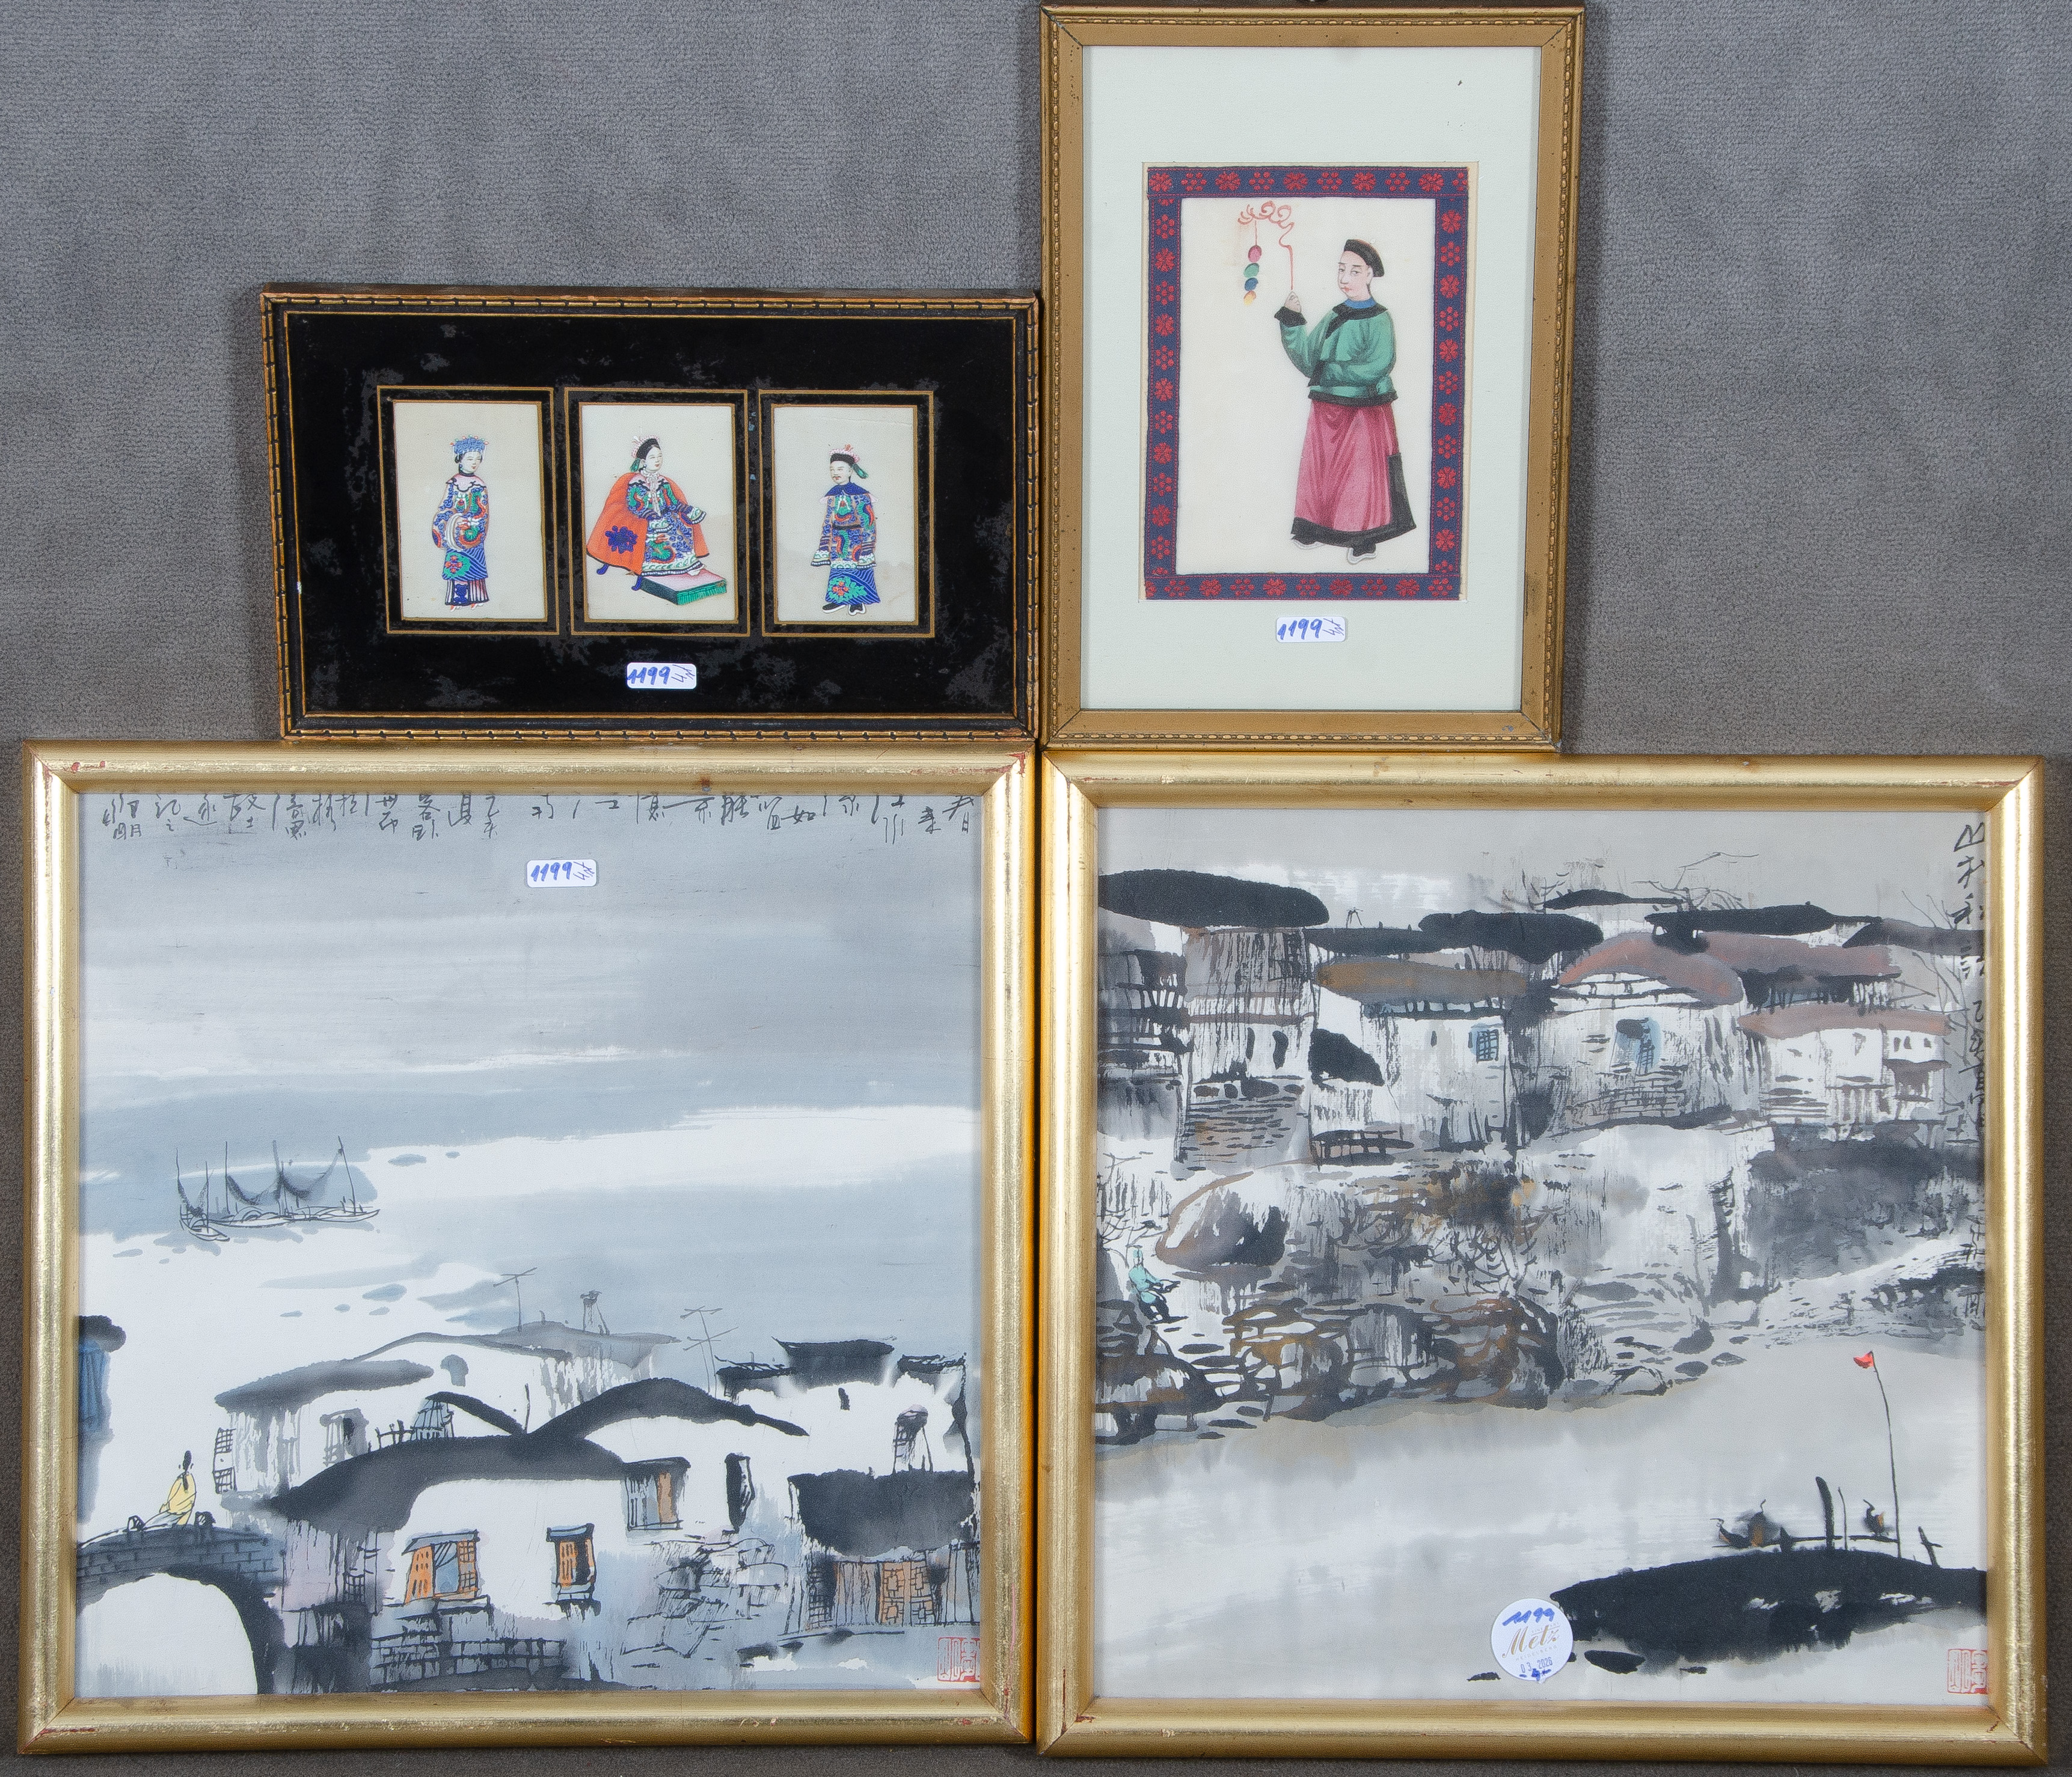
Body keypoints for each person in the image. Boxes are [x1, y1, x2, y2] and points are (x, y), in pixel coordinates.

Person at [1274, 239, 1417, 562]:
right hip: (1327, 407)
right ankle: (1317, 527)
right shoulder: (1335, 315)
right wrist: (1292, 320)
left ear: (1370, 275)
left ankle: (1363, 538)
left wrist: (1331, 371)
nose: (1345, 278)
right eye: (1341, 270)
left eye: (1354, 271)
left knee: (1360, 475)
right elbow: (1309, 360)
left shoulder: (1380, 318)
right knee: (1321, 470)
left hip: (1365, 412)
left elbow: (1379, 365)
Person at [584, 437, 727, 605]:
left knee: (679, 524)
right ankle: (655, 566)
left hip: (664, 515)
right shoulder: (636, 482)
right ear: (643, 461)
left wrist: (686, 509)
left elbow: (672, 502)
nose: (658, 460)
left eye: (660, 456)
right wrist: (648, 514)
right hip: (643, 518)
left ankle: (686, 564)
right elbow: (633, 505)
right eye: (653, 457)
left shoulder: (663, 482)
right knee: (661, 528)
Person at [811, 448, 878, 611]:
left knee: (858, 570)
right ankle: (839, 599)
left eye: (840, 469)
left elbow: (868, 521)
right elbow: (828, 520)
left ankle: (857, 602)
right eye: (832, 470)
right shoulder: (832, 495)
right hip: (837, 541)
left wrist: (867, 548)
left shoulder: (860, 495)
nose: (835, 473)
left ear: (850, 471)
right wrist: (824, 545)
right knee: (838, 570)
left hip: (857, 541)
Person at [431, 436, 491, 606]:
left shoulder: (479, 484)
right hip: (454, 533)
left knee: (475, 566)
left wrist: (471, 522)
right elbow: (444, 507)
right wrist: (451, 520)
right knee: (457, 565)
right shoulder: (453, 483)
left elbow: (483, 511)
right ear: (460, 459)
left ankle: (477, 598)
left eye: (478, 459)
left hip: (472, 532)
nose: (475, 463)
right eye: (470, 459)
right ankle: (458, 598)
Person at [1126, 1246, 1182, 1326]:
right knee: (1159, 1301)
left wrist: (1160, 1282)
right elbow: (1140, 1285)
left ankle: (1163, 1317)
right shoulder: (1132, 1272)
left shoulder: (1143, 1270)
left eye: (1139, 1258)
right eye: (1136, 1258)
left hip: (1147, 1292)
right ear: (1134, 1260)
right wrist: (1151, 1285)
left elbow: (1151, 1278)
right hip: (1143, 1294)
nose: (1138, 1260)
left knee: (1159, 1300)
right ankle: (1165, 1318)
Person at [162, 1450, 197, 1525]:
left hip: (175, 1516)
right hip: (178, 1515)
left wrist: (165, 1507)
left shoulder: (182, 1480)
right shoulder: (186, 1479)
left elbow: (173, 1505)